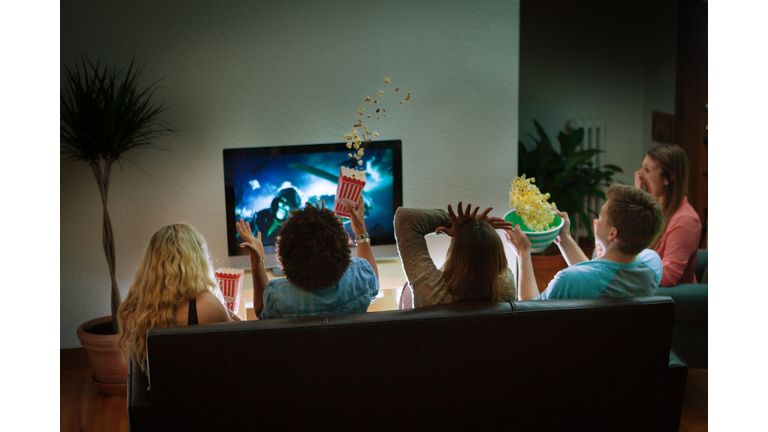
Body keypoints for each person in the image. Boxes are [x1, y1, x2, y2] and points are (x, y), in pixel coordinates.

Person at [116, 223, 241, 375]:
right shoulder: (207, 305)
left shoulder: (135, 306)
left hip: (159, 394)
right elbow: (239, 345)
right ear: (196, 260)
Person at [507, 184, 664, 301]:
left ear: (612, 233)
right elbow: (595, 275)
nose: (597, 220)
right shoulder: (653, 264)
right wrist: (564, 238)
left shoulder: (568, 280)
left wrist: (523, 252)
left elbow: (530, 313)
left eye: (601, 216)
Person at [237, 196, 379, 319]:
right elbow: (372, 276)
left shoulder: (276, 297)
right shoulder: (360, 279)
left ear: (284, 257)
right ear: (343, 252)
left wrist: (257, 262)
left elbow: (261, 310)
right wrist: (360, 231)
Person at [394, 202, 516, 308]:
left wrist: (454, 222)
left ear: (456, 254)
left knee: (406, 289)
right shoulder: (506, 287)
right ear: (499, 258)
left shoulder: (431, 294)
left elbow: (404, 218)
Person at [635, 144, 702, 286]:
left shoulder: (685, 220)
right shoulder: (654, 210)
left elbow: (668, 276)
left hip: (673, 300)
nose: (639, 175)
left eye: (647, 170)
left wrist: (625, 271)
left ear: (668, 178)